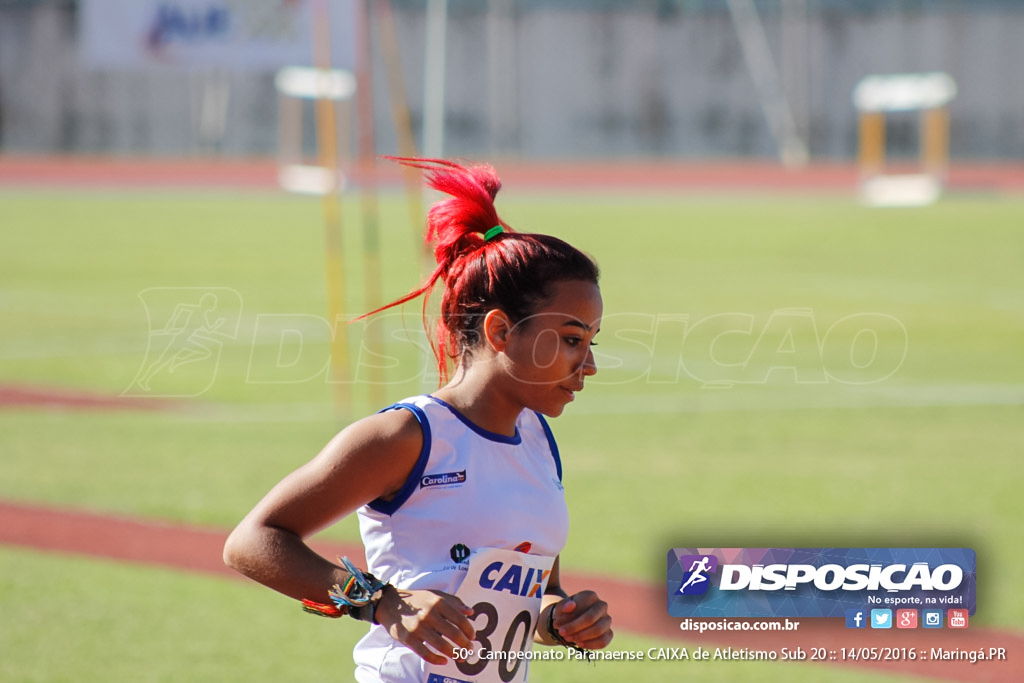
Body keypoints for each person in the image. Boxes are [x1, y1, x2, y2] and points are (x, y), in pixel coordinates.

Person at [223, 157, 613, 682]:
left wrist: (560, 619)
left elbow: (534, 593)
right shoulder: (407, 437)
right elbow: (252, 541)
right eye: (571, 340)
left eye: (591, 343)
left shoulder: (540, 441)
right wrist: (380, 602)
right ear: (500, 331)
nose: (588, 365)